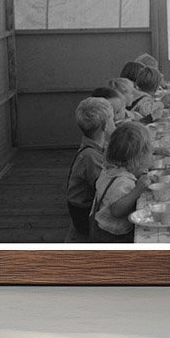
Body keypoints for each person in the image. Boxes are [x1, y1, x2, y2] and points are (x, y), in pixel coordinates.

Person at [89, 121, 154, 243]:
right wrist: (137, 191)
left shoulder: (110, 170)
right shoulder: (123, 182)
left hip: (100, 227)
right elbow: (116, 211)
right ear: (138, 157)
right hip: (112, 236)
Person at [65, 97, 115, 243]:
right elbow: (108, 188)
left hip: (89, 209)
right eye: (113, 118)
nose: (115, 122)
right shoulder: (90, 157)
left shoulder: (96, 146)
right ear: (105, 126)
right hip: (85, 217)